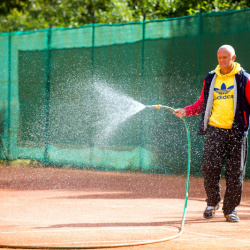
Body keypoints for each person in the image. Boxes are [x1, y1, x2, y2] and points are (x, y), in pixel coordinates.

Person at [173, 45, 250, 222]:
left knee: (235, 173)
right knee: (209, 169)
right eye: (219, 57)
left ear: (233, 58)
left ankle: (230, 210)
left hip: (237, 133)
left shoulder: (244, 79)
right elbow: (202, 103)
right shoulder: (210, 78)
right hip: (215, 131)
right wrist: (186, 111)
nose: (222, 61)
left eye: (226, 57)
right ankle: (213, 202)